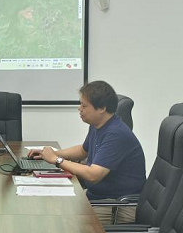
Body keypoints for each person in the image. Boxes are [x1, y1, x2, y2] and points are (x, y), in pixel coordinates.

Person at [29, 80, 145, 215]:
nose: (79, 108)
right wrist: (51, 154)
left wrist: (57, 160)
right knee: (51, 205)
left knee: (62, 217)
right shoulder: (98, 125)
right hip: (97, 197)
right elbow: (82, 151)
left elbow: (93, 175)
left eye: (84, 106)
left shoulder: (116, 134)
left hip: (116, 205)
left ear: (102, 108)